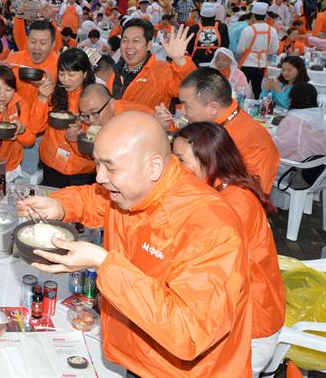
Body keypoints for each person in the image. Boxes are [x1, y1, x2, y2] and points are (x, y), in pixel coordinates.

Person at [17, 111, 252, 377]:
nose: (99, 177)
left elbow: (188, 332)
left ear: (153, 167)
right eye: (97, 164)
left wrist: (104, 263)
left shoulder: (212, 226)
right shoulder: (130, 190)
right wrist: (61, 206)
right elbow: (94, 199)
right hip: (140, 354)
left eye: (110, 166)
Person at [173, 122, 285, 377]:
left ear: (209, 159)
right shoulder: (217, 188)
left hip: (250, 326)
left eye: (181, 160)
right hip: (240, 316)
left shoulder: (235, 204)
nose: (174, 167)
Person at [155, 67, 280, 193]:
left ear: (213, 108)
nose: (182, 112)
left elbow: (249, 198)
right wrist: (166, 129)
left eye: (186, 105)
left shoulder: (255, 143)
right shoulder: (211, 122)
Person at [32, 48, 96, 188]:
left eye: (71, 74)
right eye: (62, 74)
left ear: (85, 74)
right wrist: (42, 98)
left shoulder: (94, 98)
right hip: (51, 163)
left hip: (81, 170)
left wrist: (80, 132)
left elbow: (96, 142)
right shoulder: (53, 93)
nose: (65, 80)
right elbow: (36, 127)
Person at [111, 19, 196, 111]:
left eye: (136, 41)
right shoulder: (111, 71)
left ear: (148, 45)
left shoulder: (161, 72)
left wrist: (180, 60)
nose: (129, 46)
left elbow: (192, 87)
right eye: (125, 41)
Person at [7, 20, 59, 120]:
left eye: (42, 43)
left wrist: (51, 89)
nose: (36, 47)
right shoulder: (14, 59)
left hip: (43, 125)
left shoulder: (60, 69)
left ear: (53, 45)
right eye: (33, 41)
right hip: (13, 119)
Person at [274, 83, 326, 162]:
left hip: (293, 166)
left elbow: (278, 149)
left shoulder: (293, 120)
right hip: (317, 165)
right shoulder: (318, 117)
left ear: (291, 99)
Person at [236, 2, 279, 98]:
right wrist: (264, 52)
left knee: (242, 89)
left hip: (246, 63)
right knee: (257, 88)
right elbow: (275, 49)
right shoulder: (272, 30)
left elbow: (240, 49)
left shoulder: (248, 29)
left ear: (253, 15)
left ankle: (241, 108)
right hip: (261, 64)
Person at [78, 83, 152, 132]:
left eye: (94, 113)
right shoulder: (89, 123)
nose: (91, 121)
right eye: (85, 116)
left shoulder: (137, 118)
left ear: (112, 104)